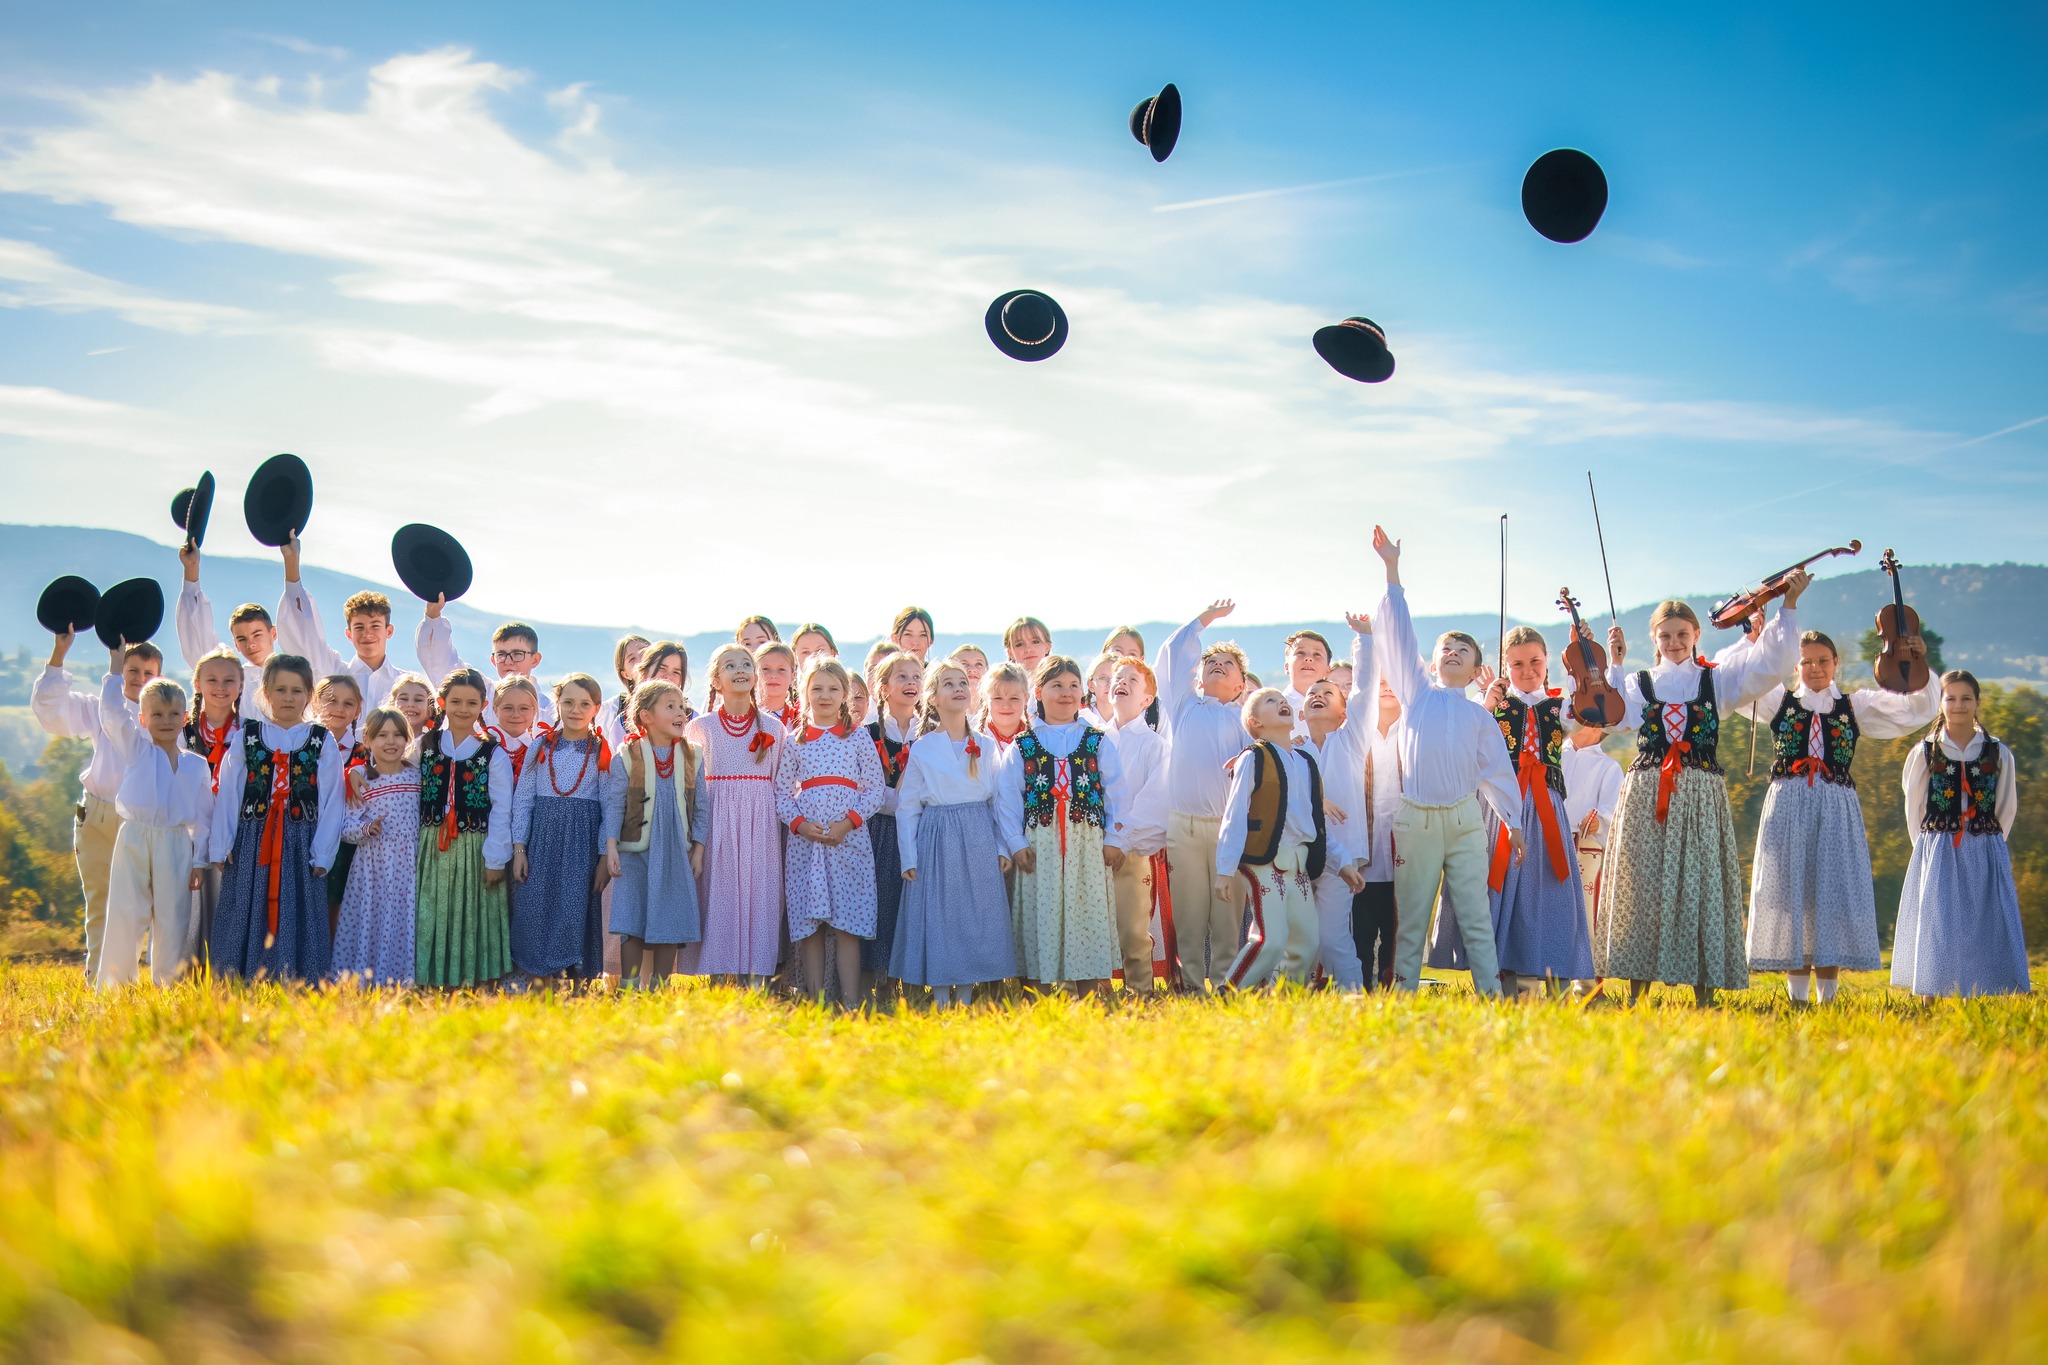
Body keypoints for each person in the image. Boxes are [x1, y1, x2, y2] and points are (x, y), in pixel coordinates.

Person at [1600, 578, 1804, 1005]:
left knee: (1700, 883)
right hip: (1648, 790)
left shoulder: (1716, 680)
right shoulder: (1639, 682)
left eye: (1682, 634)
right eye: (1666, 635)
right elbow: (1614, 717)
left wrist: (1788, 606)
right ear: (1654, 639)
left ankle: (1704, 995)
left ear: (1696, 636)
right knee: (1645, 885)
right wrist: (1615, 663)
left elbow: (1771, 667)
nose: (1674, 642)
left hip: (1699, 791)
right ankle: (1639, 992)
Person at [1371, 527, 1525, 997]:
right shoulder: (1416, 693)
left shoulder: (1478, 715)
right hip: (1415, 818)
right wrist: (1392, 570)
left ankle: (1492, 997)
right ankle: (1403, 995)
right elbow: (1398, 635)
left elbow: (1497, 771)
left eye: (1464, 650)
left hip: (1463, 821)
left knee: (1476, 914)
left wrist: (1514, 822)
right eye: (1446, 649)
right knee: (1412, 914)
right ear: (1432, 663)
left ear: (1478, 668)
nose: (1453, 653)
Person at [1745, 630, 1939, 1003]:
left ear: (1836, 664)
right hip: (1788, 804)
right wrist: (1761, 641)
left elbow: (1916, 710)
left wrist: (1918, 662)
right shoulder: (1778, 701)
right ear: (1794, 666)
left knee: (1830, 896)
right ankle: (1797, 998)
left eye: (1822, 661)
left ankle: (1828, 998)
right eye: (1806, 662)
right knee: (1793, 893)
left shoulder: (1855, 705)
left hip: (1836, 805)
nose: (1815, 668)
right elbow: (1745, 681)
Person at [1474, 625, 1596, 997]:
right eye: (1517, 664)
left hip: (1547, 805)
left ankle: (1554, 969)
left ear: (1547, 662)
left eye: (1535, 662)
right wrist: (1486, 705)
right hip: (1503, 808)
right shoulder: (1493, 706)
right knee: (1504, 885)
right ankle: (1501, 974)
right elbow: (1468, 746)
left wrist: (1585, 655)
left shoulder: (1560, 707)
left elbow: (1594, 720)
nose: (1527, 670)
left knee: (1548, 887)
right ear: (1505, 666)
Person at [1890, 671, 2029, 997]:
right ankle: (1930, 990)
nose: (1958, 705)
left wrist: (1989, 843)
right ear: (1940, 703)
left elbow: (2007, 807)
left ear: (1978, 702)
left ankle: (1982, 989)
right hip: (1938, 847)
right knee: (1939, 921)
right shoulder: (1924, 752)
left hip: (1983, 846)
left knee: (1983, 921)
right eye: (1950, 698)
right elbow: (1915, 805)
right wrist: (1925, 848)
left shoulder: (1997, 752)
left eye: (1966, 698)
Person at [35, 627, 163, 979]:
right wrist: (59, 653)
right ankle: (99, 982)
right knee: (100, 903)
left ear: (159, 676)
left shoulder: (166, 720)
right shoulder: (96, 708)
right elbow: (52, 712)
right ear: (120, 671)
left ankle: (128, 979)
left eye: (148, 673)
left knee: (138, 906)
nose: (139, 679)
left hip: (141, 822)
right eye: (132, 671)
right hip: (97, 816)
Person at [207, 653, 343, 982]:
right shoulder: (247, 737)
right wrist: (222, 843)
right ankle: (239, 976)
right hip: (252, 840)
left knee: (298, 910)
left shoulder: (321, 741)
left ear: (309, 695)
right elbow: (229, 793)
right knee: (246, 906)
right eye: (280, 689)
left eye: (297, 691)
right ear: (266, 693)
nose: (288, 697)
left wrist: (323, 852)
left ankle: (298, 978)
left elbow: (332, 801)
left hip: (300, 841)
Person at [894, 658, 1018, 1004]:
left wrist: (1002, 847)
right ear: (932, 697)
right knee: (942, 914)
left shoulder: (986, 744)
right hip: (937, 837)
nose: (959, 689)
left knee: (974, 914)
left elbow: (998, 803)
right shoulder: (923, 748)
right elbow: (907, 808)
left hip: (978, 834)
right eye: (948, 684)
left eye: (963, 683)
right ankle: (941, 995)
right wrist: (909, 856)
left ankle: (966, 992)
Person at [1000, 656, 1126, 991]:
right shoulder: (1022, 745)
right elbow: (1007, 800)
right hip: (1039, 846)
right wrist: (1016, 843)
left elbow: (1116, 793)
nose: (1066, 693)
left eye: (1073, 685)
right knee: (1040, 913)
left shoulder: (1096, 740)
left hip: (1087, 845)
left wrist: (1114, 837)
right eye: (1057, 686)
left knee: (1086, 913)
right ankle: (1036, 995)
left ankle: (1090, 995)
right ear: (1039, 692)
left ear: (1082, 693)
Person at [779, 658, 888, 1009]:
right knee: (811, 925)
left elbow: (874, 789)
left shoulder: (856, 737)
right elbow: (781, 792)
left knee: (847, 923)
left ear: (845, 695)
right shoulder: (795, 741)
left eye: (833, 689)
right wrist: (800, 825)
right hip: (806, 846)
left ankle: (852, 1003)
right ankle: (816, 1002)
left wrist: (848, 823)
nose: (825, 695)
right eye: (817, 688)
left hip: (849, 840)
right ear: (804, 693)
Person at [1155, 600, 1252, 990]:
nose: (1217, 666)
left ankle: (1226, 987)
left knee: (1227, 915)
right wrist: (1204, 620)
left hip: (1231, 831)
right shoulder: (1182, 706)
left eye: (1228, 664)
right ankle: (1193, 988)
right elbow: (1171, 654)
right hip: (1184, 828)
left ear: (1241, 684)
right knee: (1190, 914)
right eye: (1211, 662)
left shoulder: (1247, 717)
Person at [95, 665, 213, 986]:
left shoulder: (196, 766)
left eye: (173, 714)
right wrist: (114, 670)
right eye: (157, 715)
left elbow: (204, 818)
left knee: (173, 917)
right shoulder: (137, 751)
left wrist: (200, 861)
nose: (166, 721)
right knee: (125, 911)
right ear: (143, 719)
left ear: (185, 717)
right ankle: (115, 986)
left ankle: (169, 985)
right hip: (134, 836)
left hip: (176, 843)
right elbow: (112, 714)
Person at [511, 675, 623, 987]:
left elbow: (610, 805)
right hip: (542, 841)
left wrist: (603, 854)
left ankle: (580, 985)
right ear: (558, 705)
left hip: (582, 843)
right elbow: (524, 799)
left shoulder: (601, 751)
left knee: (577, 909)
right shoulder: (541, 746)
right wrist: (519, 848)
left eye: (584, 704)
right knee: (536, 905)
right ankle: (540, 982)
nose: (575, 709)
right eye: (568, 702)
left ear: (596, 708)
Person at [684, 644, 785, 984]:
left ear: (756, 676)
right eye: (730, 665)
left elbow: (781, 780)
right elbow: (692, 781)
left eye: (746, 664)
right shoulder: (702, 728)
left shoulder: (773, 728)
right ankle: (718, 974)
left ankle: (756, 977)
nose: (740, 669)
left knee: (759, 892)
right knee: (719, 893)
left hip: (760, 822)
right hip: (718, 820)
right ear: (715, 680)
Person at [1215, 688, 1327, 989]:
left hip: (1298, 863)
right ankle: (1231, 991)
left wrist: (1341, 863)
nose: (1281, 703)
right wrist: (1225, 869)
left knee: (1307, 940)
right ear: (1255, 723)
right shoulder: (1254, 758)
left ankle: (1289, 999)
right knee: (1271, 939)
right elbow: (1234, 813)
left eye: (1283, 700)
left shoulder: (1305, 761)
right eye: (1270, 701)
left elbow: (1315, 819)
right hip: (1264, 860)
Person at [412, 668, 513, 989]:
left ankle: (471, 980)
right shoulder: (424, 745)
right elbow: (397, 777)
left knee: (471, 913)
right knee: (431, 908)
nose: (463, 709)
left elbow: (502, 809)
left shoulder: (492, 753)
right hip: (431, 844)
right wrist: (362, 773)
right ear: (442, 702)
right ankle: (428, 979)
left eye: (471, 702)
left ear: (483, 705)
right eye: (455, 701)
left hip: (475, 845)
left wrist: (496, 859)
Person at [613, 679, 712, 988]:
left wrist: (698, 849)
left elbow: (702, 808)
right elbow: (614, 803)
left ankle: (659, 986)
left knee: (670, 914)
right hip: (635, 850)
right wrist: (611, 847)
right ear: (646, 716)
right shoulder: (628, 755)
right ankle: (629, 988)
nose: (681, 713)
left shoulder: (692, 755)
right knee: (632, 915)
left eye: (682, 706)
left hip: (674, 850)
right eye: (670, 706)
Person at [1297, 630, 1372, 990]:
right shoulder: (1292, 752)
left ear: (1344, 711)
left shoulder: (1352, 742)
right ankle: (1295, 1001)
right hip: (1297, 857)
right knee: (1299, 940)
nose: (1318, 697)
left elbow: (1366, 691)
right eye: (1312, 693)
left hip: (1339, 862)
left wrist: (1365, 640)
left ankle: (1353, 996)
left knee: (1332, 937)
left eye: (1328, 694)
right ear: (1300, 710)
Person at [332, 708, 421, 985]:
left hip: (410, 867)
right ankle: (366, 980)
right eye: (381, 735)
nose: (390, 741)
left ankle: (403, 982)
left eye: (397, 734)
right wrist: (366, 829)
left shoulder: (418, 777)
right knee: (373, 921)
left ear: (408, 739)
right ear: (367, 741)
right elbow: (345, 828)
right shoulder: (363, 780)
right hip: (372, 869)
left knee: (405, 922)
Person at [275, 536, 408, 716]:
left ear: (389, 631)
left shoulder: (405, 684)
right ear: (349, 634)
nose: (367, 634)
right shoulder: (333, 673)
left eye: (375, 626)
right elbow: (306, 636)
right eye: (359, 627)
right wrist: (292, 562)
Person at [1105, 656, 1170, 993]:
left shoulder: (1154, 746)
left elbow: (1153, 800)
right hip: (1093, 849)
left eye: (1133, 679)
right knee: (1091, 924)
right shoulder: (1094, 739)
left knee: (1132, 929)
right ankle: (1092, 991)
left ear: (1147, 699)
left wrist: (1122, 841)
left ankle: (1141, 991)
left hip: (1129, 851)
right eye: (1118, 677)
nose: (1122, 682)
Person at [862, 649, 923, 988]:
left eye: (916, 677)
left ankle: (912, 979)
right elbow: (868, 786)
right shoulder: (868, 733)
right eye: (902, 676)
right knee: (882, 900)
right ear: (883, 687)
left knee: (913, 901)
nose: (910, 683)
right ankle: (879, 980)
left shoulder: (929, 731)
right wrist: (901, 802)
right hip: (881, 829)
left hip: (917, 830)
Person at [183, 648, 246, 958]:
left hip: (234, 827)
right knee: (189, 904)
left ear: (241, 685)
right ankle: (184, 971)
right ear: (197, 683)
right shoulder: (182, 730)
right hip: (190, 827)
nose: (220, 687)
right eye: (212, 679)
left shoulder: (250, 732)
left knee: (227, 900)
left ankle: (225, 967)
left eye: (229, 680)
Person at [174, 540, 278, 713]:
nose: (250, 644)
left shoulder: (292, 676)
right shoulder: (234, 680)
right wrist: (191, 572)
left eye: (257, 635)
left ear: (273, 633)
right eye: (242, 639)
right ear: (235, 644)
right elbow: (198, 639)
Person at [416, 599, 555, 727]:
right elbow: (440, 662)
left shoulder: (549, 710)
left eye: (517, 654)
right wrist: (433, 618)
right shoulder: (480, 691)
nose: (508, 661)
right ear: (493, 660)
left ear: (535, 659)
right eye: (501, 654)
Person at [1560, 723, 1622, 996]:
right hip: (1551, 840)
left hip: (1586, 845)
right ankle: (1548, 981)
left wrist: (1600, 819)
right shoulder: (1555, 755)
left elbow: (1613, 808)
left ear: (1600, 727)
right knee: (1549, 911)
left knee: (1586, 916)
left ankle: (1587, 988)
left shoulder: (1609, 767)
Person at [314, 673, 367, 936]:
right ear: (315, 702)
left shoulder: (364, 752)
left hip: (345, 841)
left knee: (337, 905)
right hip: (306, 832)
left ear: (359, 708)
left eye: (348, 703)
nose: (339, 708)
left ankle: (333, 967)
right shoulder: (303, 745)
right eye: (331, 700)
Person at [486, 676, 547, 783]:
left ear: (534, 711)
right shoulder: (484, 746)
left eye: (524, 708)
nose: (516, 715)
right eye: (508, 708)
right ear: (495, 709)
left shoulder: (540, 751)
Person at [596, 635, 651, 744]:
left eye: (643, 653)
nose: (640, 661)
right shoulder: (612, 710)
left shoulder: (683, 706)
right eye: (632, 659)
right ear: (626, 674)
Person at [1280, 630, 1334, 737]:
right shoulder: (1273, 710)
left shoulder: (1339, 710)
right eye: (1300, 653)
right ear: (1286, 667)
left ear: (1328, 670)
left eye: (1317, 654)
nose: (1308, 658)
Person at [980, 662, 1030, 752]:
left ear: (1026, 698)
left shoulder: (1038, 739)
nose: (1006, 706)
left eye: (1014, 698)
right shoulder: (975, 740)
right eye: (998, 698)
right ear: (986, 699)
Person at [382, 673, 437, 746]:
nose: (410, 704)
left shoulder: (437, 746)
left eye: (418, 700)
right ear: (392, 706)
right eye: (404, 699)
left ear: (429, 711)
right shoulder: (381, 744)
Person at [756, 642, 800, 731]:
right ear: (754, 675)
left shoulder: (798, 720)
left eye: (781, 669)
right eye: (765, 669)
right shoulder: (744, 715)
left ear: (793, 677)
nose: (773, 675)